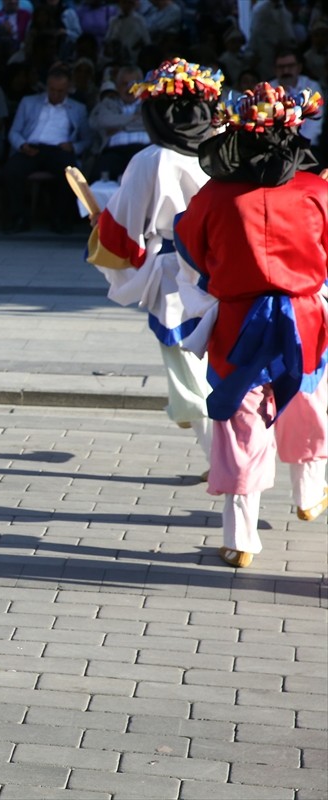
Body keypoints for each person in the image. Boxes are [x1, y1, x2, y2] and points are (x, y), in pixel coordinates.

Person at [174, 83, 327, 568]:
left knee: (243, 423)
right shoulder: (318, 191)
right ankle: (309, 493)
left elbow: (193, 251)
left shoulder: (215, 195)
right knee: (305, 400)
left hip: (239, 320)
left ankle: (241, 540)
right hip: (304, 313)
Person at [87, 59, 225, 475]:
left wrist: (102, 230)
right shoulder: (225, 145)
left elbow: (123, 228)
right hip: (225, 271)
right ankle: (226, 451)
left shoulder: (152, 160)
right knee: (217, 365)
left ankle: (226, 462)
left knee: (189, 373)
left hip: (175, 277)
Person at [2, 65, 91, 233]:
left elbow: (87, 139)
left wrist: (73, 147)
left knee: (71, 174)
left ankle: (60, 219)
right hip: (31, 148)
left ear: (68, 89)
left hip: (60, 149)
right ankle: (18, 217)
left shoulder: (78, 108)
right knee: (10, 171)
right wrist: (22, 145)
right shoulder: (29, 102)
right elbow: (14, 131)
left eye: (60, 91)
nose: (56, 94)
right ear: (46, 87)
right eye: (52, 90)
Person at [90, 64, 149, 180]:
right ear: (117, 87)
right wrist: (134, 118)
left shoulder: (149, 104)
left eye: (133, 84)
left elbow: (149, 121)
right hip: (114, 152)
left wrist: (119, 124)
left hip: (144, 151)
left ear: (141, 86)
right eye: (124, 84)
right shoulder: (108, 103)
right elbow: (104, 121)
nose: (129, 88)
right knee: (99, 172)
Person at [272, 49, 323, 156]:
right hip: (277, 149)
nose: (286, 71)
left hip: (308, 147)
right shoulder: (268, 89)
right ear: (275, 69)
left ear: (299, 67)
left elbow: (315, 122)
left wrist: (299, 146)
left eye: (290, 66)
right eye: (281, 67)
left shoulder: (312, 86)